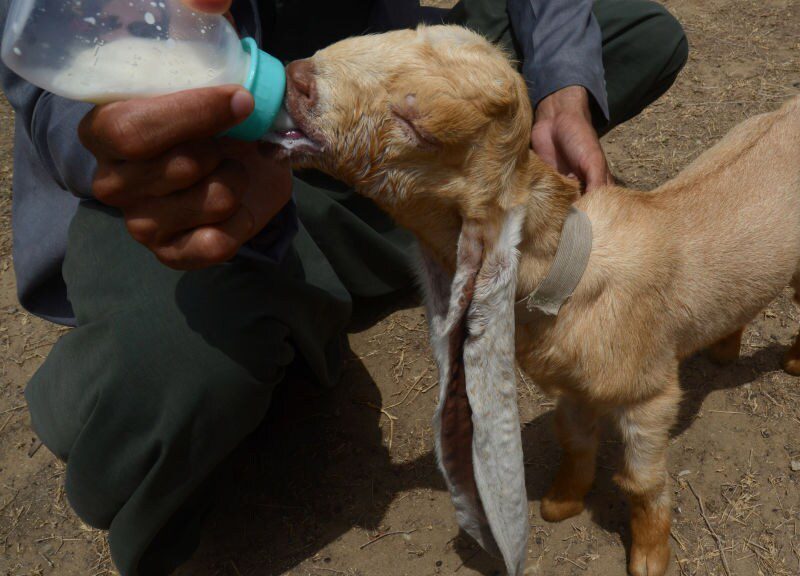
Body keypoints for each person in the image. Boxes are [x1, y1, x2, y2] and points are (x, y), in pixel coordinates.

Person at [0, 0, 688, 573]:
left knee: (635, 34)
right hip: (227, 137)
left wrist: (563, 87)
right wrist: (147, 135)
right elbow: (52, 27)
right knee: (163, 373)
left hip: (368, 88)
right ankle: (346, 245)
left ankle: (386, 219)